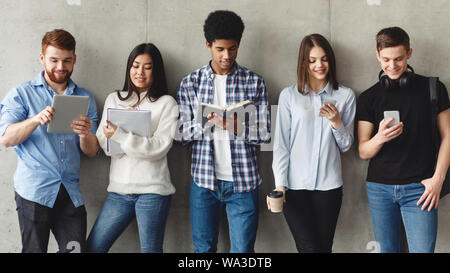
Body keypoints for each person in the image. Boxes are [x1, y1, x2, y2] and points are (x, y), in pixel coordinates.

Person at [176, 10, 271, 253]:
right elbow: (180, 135)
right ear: (208, 45)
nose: (226, 56)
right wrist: (205, 122)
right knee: (203, 250)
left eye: (232, 48)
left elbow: (266, 135)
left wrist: (236, 127)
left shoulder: (254, 82)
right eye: (220, 49)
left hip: (244, 182)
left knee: (242, 252)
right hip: (204, 182)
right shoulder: (191, 83)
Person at [0, 29, 99, 253]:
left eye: (66, 61)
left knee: (75, 250)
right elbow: (5, 139)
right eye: (53, 60)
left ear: (74, 59)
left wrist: (85, 134)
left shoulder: (86, 98)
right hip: (34, 192)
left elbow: (92, 152)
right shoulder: (21, 93)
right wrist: (35, 120)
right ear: (42, 58)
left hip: (69, 192)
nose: (60, 67)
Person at [357, 26, 450, 253]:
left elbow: (448, 136)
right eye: (386, 59)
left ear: (409, 53)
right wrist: (379, 138)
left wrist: (438, 179)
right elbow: (363, 151)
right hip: (379, 189)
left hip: (421, 188)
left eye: (398, 58)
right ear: (378, 55)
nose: (392, 65)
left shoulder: (433, 89)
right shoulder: (369, 97)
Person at [86, 43, 178, 253]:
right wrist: (125, 124)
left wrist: (120, 134)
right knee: (93, 248)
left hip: (153, 192)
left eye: (147, 67)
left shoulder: (166, 103)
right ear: (129, 68)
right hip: (119, 191)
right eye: (135, 66)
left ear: (156, 71)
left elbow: (159, 148)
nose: (140, 72)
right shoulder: (114, 99)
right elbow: (105, 146)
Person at [269, 34, 356, 253]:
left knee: (324, 248)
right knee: (308, 247)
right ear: (304, 63)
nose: (319, 65)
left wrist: (336, 122)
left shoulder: (345, 95)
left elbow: (346, 146)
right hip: (294, 187)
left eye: (324, 59)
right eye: (313, 60)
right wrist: (280, 185)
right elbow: (281, 145)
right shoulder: (289, 96)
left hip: (329, 187)